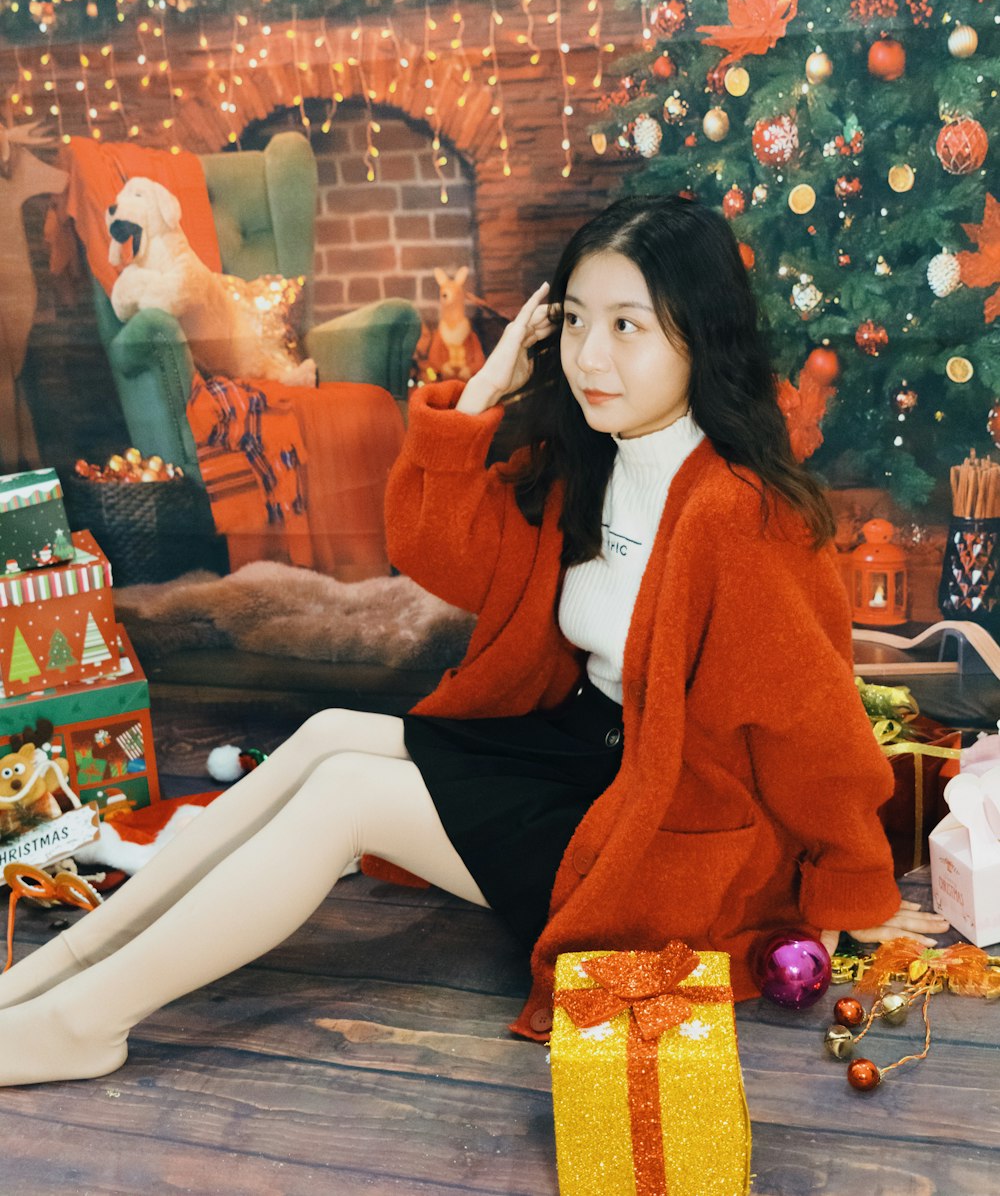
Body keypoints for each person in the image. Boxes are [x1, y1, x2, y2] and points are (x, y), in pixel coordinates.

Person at [0, 194, 943, 1085]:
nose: (590, 357)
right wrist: (482, 394)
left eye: (629, 325)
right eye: (575, 319)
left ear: (703, 338)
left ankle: (86, 1025)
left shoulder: (744, 517)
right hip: (579, 748)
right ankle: (66, 967)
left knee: (347, 801)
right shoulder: (593, 460)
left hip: (660, 825)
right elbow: (432, 547)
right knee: (331, 730)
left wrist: (847, 894)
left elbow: (814, 732)